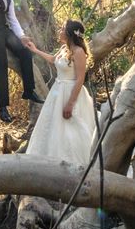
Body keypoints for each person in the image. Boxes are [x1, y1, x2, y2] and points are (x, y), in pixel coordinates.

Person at [24, 20, 96, 165]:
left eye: (62, 29)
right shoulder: (64, 48)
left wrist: (70, 103)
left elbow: (80, 79)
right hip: (57, 91)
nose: (59, 31)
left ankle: (74, 163)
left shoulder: (79, 52)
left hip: (71, 93)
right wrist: (35, 50)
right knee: (53, 128)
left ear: (70, 33)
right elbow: (53, 59)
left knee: (71, 130)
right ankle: (50, 161)